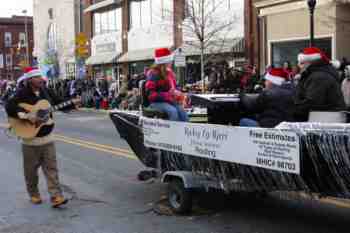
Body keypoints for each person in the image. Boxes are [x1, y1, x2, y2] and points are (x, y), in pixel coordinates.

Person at [5, 67, 78, 208]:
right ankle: (33, 193)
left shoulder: (46, 91)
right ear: (30, 79)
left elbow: (59, 102)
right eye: (37, 77)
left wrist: (72, 104)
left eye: (41, 76)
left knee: (51, 168)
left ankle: (56, 196)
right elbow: (9, 105)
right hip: (30, 139)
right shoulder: (22, 93)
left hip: (47, 137)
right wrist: (24, 114)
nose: (41, 79)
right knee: (31, 170)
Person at [294, 47, 345, 122]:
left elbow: (313, 102)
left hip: (325, 120)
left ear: (310, 63)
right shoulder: (317, 74)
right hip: (325, 118)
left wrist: (292, 110)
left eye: (301, 63)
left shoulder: (318, 77)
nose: (298, 65)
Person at [145, 48, 188, 121]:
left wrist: (179, 93)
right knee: (172, 111)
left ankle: (183, 131)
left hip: (169, 101)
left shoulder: (170, 73)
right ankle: (171, 131)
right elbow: (150, 95)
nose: (171, 62)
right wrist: (168, 95)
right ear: (164, 62)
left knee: (182, 111)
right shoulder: (153, 74)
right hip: (156, 102)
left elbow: (175, 88)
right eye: (170, 61)